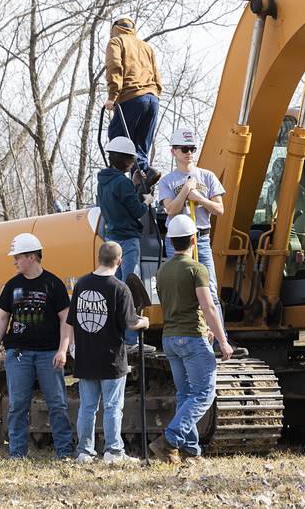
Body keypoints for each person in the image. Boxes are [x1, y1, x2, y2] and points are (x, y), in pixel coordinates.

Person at [149, 215, 233, 463]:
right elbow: (208, 307)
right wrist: (222, 340)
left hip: (170, 339)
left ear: (170, 241)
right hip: (192, 338)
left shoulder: (162, 270)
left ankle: (191, 452)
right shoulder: (197, 269)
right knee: (204, 394)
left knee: (185, 395)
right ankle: (170, 440)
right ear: (194, 239)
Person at [0, 233, 74, 459]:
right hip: (18, 355)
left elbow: (66, 319)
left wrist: (63, 349)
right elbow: (3, 318)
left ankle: (64, 452)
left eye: (18, 257)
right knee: (17, 404)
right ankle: (17, 453)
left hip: (49, 354)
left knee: (57, 403)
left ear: (32, 257)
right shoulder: (12, 285)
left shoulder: (53, 284)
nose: (14, 261)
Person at [66, 241, 149, 465]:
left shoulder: (81, 284)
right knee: (113, 406)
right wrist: (145, 321)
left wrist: (73, 347)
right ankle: (113, 451)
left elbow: (72, 320)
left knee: (88, 407)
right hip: (111, 358)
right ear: (119, 261)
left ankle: (84, 451)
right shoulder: (120, 288)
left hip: (85, 356)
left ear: (99, 257)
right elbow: (131, 323)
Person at [159, 128, 225, 320]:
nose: (189, 153)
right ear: (173, 151)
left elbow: (219, 209)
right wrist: (185, 190)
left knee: (210, 289)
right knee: (181, 290)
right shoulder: (167, 181)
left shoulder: (207, 176)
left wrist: (199, 198)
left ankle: (219, 341)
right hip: (177, 242)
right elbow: (171, 210)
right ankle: (184, 333)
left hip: (201, 239)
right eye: (184, 149)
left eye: (192, 149)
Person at [97, 135, 155, 349]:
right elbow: (138, 211)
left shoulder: (103, 181)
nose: (132, 163)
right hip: (128, 240)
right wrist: (146, 200)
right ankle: (132, 341)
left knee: (116, 289)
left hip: (112, 238)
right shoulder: (122, 182)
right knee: (132, 288)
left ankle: (118, 338)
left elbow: (112, 207)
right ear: (124, 160)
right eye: (130, 160)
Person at [104, 14, 163, 188]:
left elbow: (114, 67)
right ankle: (142, 174)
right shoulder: (147, 47)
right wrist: (154, 94)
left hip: (131, 98)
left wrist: (112, 97)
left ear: (114, 28)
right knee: (141, 145)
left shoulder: (116, 42)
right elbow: (157, 77)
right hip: (152, 99)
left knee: (117, 141)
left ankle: (117, 182)